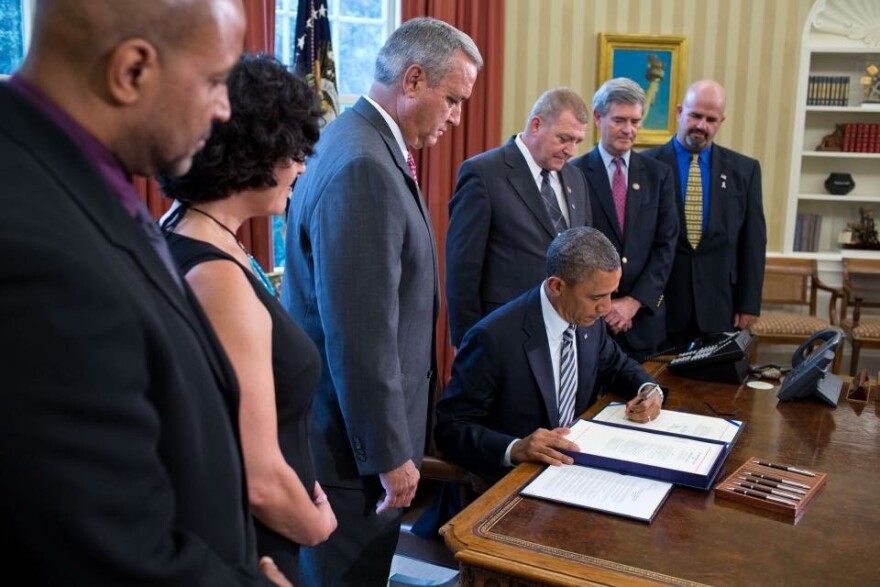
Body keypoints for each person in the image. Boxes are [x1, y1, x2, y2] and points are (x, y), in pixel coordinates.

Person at [0, 1, 289, 585]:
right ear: (131, 71)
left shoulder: (76, 169)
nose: (225, 108)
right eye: (213, 81)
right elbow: (100, 545)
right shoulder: (33, 244)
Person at [281, 17, 483, 587]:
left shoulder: (357, 140)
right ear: (414, 80)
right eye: (453, 100)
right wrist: (391, 455)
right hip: (351, 457)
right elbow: (359, 333)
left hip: (349, 443)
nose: (456, 118)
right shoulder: (365, 164)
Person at [157, 53, 336, 584]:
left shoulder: (187, 229)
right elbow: (257, 477)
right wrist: (317, 525)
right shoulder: (216, 279)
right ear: (254, 152)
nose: (301, 168)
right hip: (252, 540)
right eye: (295, 152)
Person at [435, 227, 663, 485]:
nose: (607, 308)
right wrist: (515, 447)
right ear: (557, 286)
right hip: (513, 483)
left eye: (612, 294)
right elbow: (450, 429)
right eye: (597, 297)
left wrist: (648, 389)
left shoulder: (589, 320)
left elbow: (617, 365)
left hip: (577, 473)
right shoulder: (493, 338)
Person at [446, 87, 592, 348]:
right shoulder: (483, 173)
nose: (571, 150)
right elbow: (462, 270)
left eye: (577, 141)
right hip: (503, 333)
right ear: (536, 125)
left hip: (564, 335)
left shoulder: (575, 177)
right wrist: (466, 343)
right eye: (563, 138)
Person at [642, 80, 766, 349]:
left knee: (715, 389)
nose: (701, 126)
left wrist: (748, 304)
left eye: (711, 119)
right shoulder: (645, 166)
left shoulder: (744, 171)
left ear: (721, 121)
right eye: (695, 115)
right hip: (661, 305)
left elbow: (753, 242)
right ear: (679, 112)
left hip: (721, 305)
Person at [570, 78, 678, 362]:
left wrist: (633, 302)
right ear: (598, 117)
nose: (629, 130)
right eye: (619, 120)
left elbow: (666, 245)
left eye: (635, 121)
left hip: (644, 322)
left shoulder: (659, 175)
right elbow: (573, 248)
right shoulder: (573, 173)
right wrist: (604, 304)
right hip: (591, 322)